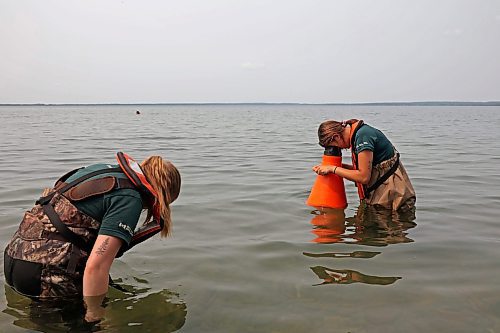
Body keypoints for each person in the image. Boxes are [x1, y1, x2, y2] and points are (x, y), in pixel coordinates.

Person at [3, 152, 181, 321]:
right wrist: (95, 315)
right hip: (45, 275)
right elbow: (96, 267)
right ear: (161, 197)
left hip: (15, 257)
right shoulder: (130, 198)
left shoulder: (106, 173)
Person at [313, 119, 415, 211]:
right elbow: (364, 170)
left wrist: (333, 168)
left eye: (335, 146)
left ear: (337, 137)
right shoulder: (359, 133)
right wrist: (336, 166)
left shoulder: (362, 137)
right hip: (385, 190)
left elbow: (363, 177)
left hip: (393, 195)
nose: (340, 149)